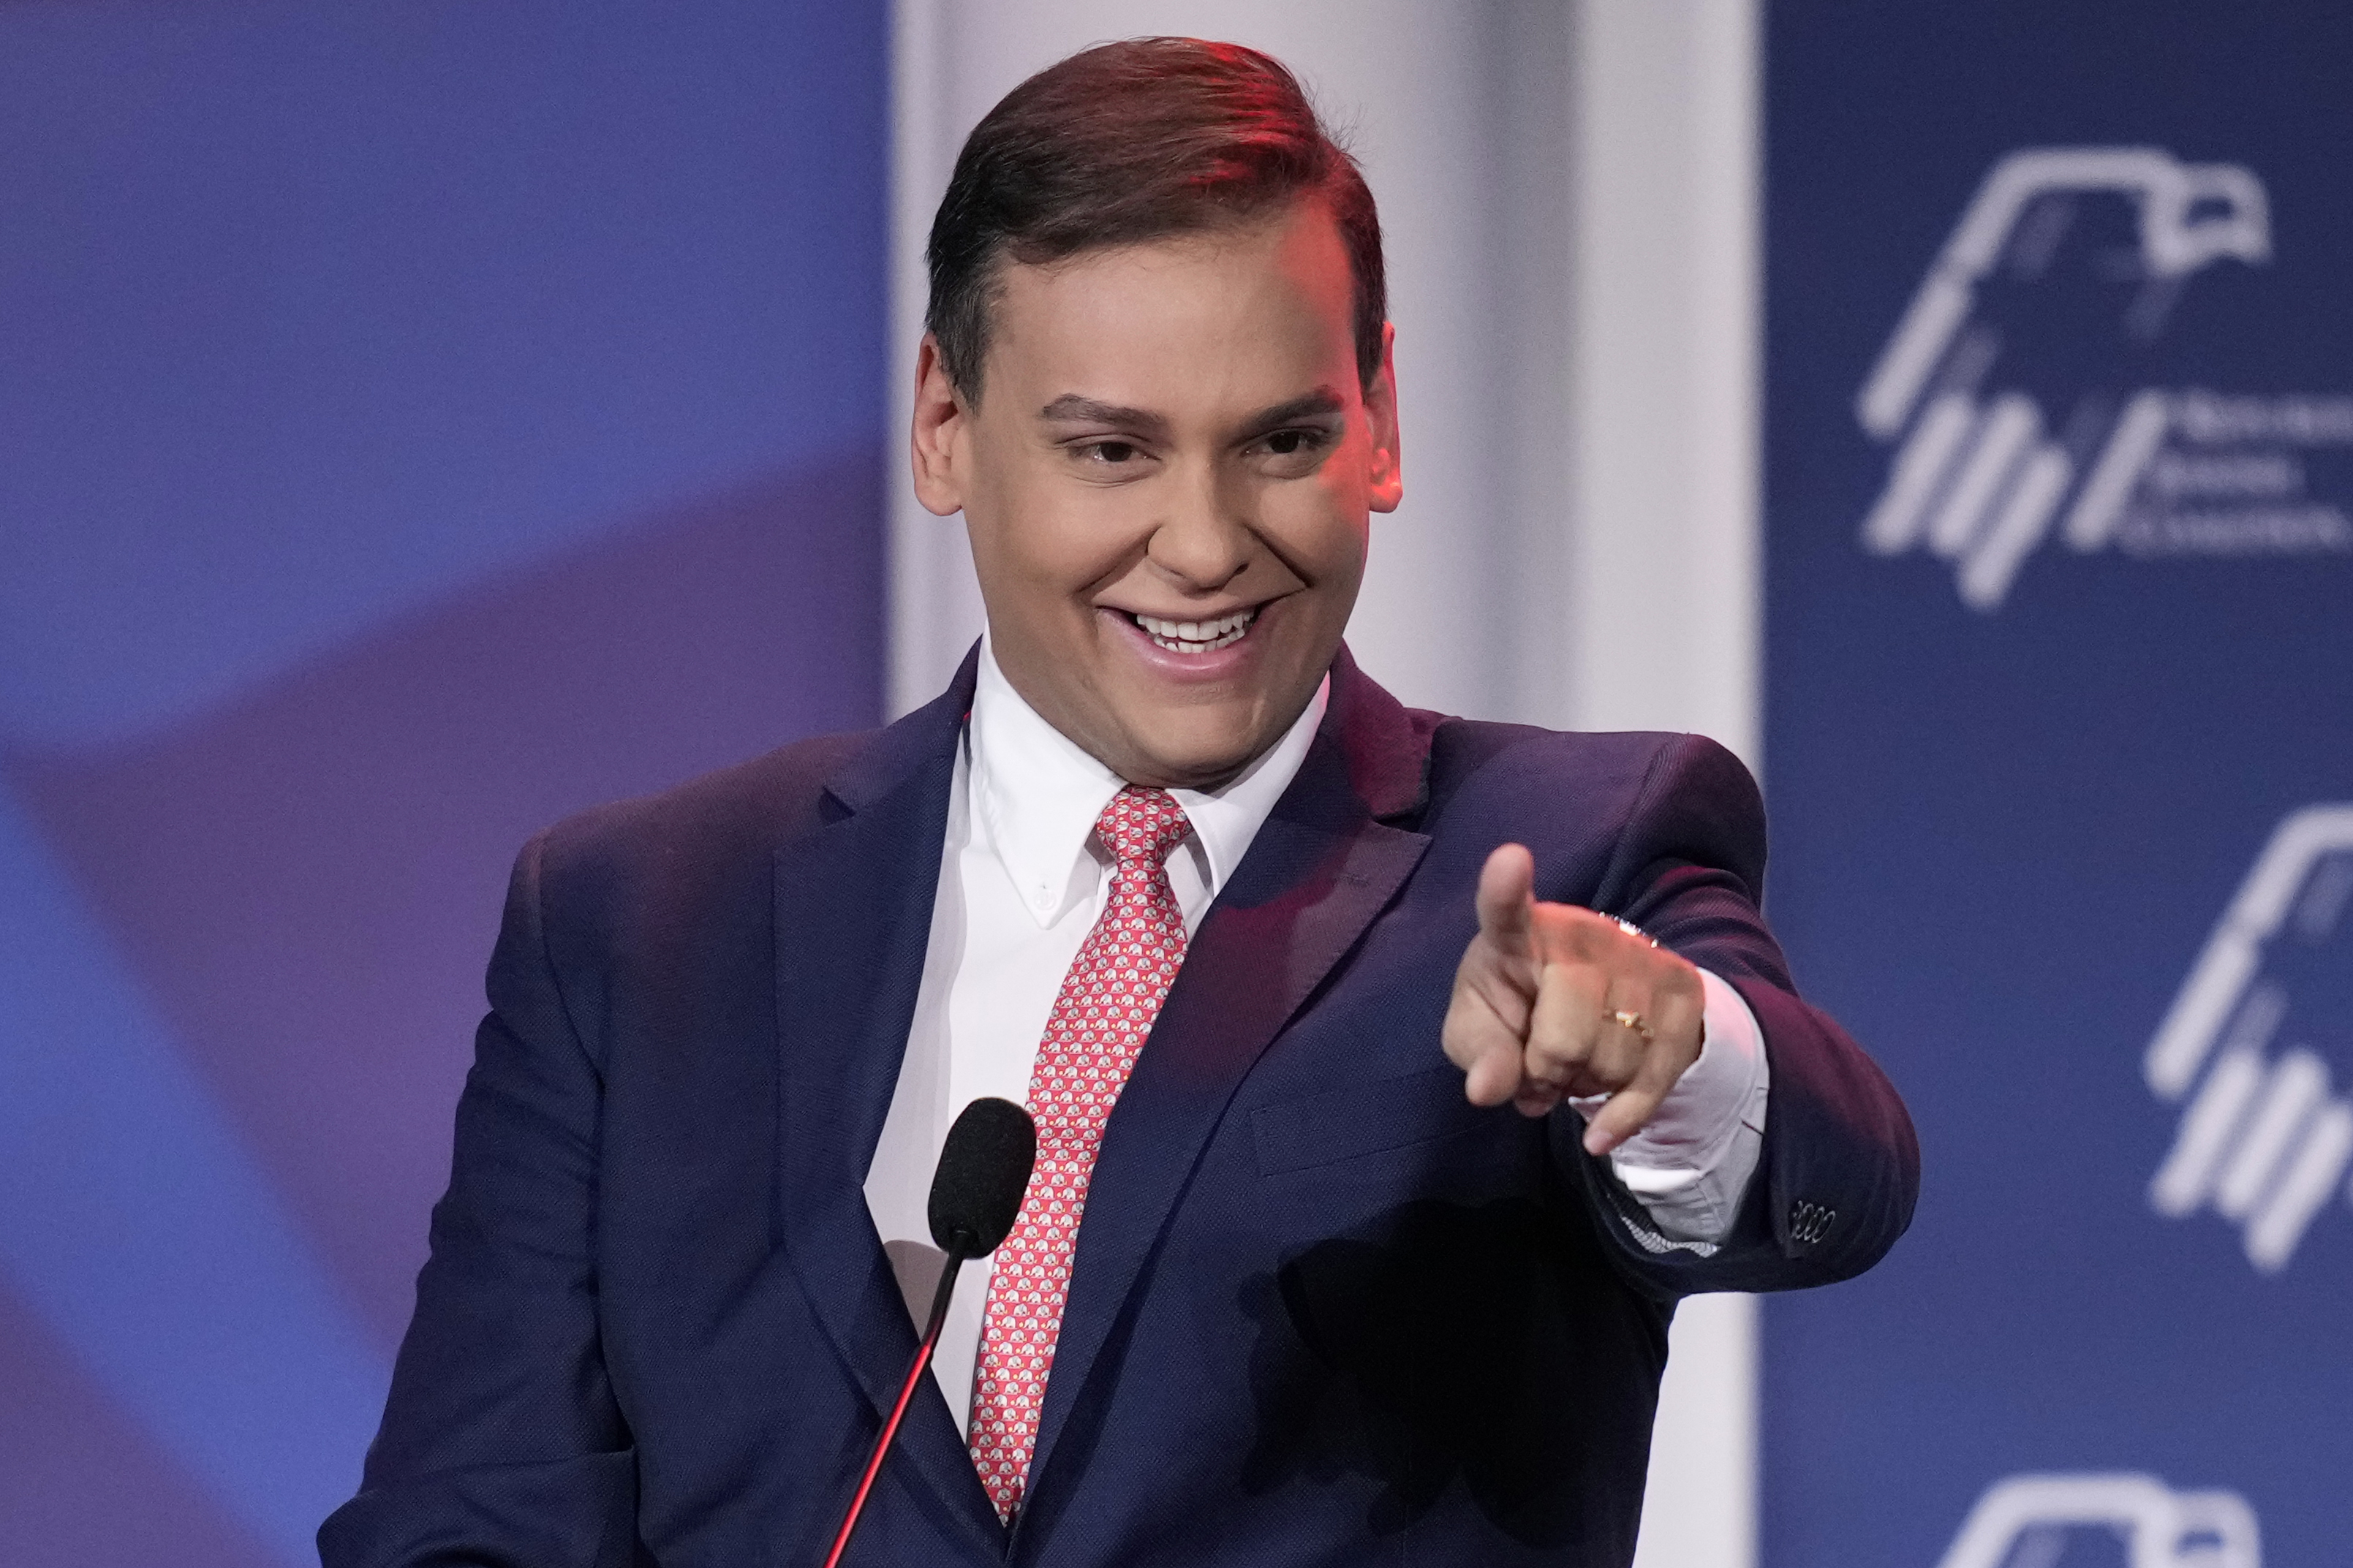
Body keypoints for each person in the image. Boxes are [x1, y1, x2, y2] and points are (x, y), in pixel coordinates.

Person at [320, 37, 1916, 1568]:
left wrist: (1670, 1055)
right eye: (1111, 452)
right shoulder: (643, 921)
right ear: (945, 426)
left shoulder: (1569, 848)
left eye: (1281, 440)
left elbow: (1832, 1175)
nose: (1205, 543)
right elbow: (472, 1515)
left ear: (1378, 419)